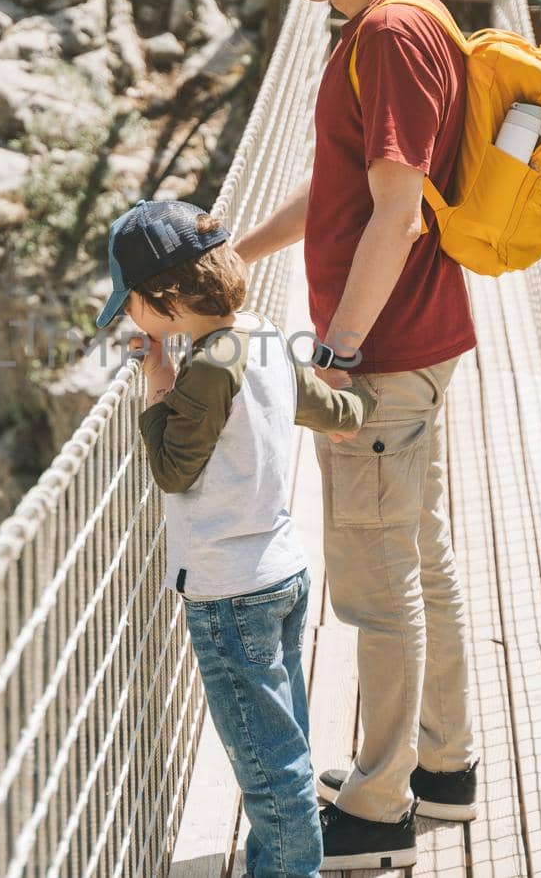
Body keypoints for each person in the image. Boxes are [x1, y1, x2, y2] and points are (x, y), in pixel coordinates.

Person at [234, 0, 482, 870]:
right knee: (416, 558)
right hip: (416, 343)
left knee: (375, 589)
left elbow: (397, 215)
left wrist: (336, 350)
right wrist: (237, 246)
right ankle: (443, 769)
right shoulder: (400, 15)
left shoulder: (384, 35)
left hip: (381, 360)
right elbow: (346, 186)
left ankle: (378, 809)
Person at [95, 198, 376, 878]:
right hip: (281, 573)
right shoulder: (257, 333)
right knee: (286, 741)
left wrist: (159, 383)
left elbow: (171, 467)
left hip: (230, 594)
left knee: (265, 764)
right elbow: (315, 403)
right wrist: (354, 411)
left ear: (162, 299)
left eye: (128, 302)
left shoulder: (207, 368)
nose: (127, 316)